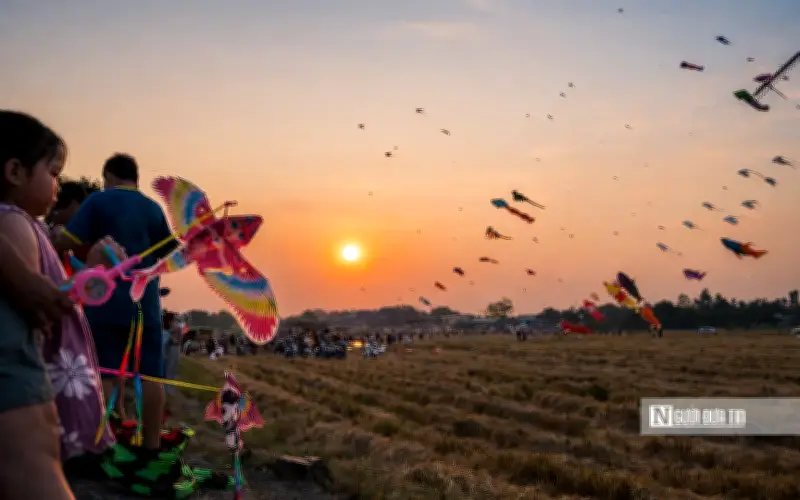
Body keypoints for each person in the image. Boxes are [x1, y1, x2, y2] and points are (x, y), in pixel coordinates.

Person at [0, 110, 120, 499]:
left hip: (28, 374)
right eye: (53, 173)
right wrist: (94, 272)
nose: (58, 185)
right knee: (36, 473)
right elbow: (38, 308)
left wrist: (95, 273)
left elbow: (47, 294)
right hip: (16, 374)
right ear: (15, 171)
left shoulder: (24, 225)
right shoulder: (12, 222)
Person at [54, 153, 176, 455]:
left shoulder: (98, 201)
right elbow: (171, 252)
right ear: (135, 176)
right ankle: (151, 447)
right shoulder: (153, 208)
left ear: (108, 175)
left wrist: (52, 240)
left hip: (103, 299)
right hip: (144, 303)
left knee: (105, 371)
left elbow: (68, 240)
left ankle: (101, 445)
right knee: (151, 376)